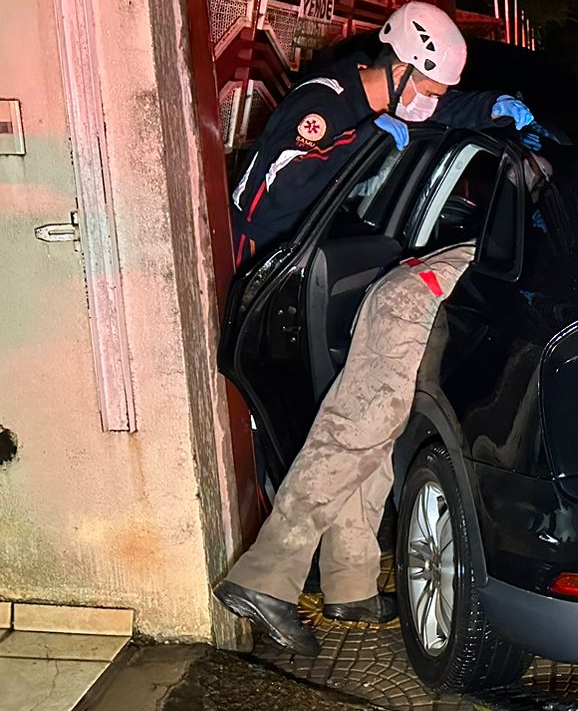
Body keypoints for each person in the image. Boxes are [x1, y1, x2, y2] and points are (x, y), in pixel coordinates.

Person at [216, 156, 554, 655]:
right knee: (349, 440)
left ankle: (350, 587)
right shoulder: (565, 223)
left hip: (411, 295)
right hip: (410, 309)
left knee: (373, 449)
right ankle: (264, 580)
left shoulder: (539, 216)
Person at [229, 1, 548, 266]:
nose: (432, 103)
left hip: (294, 245)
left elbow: (449, 108)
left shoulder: (387, 99)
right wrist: (362, 138)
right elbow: (272, 196)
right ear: (399, 74)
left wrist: (492, 108)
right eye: (431, 93)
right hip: (251, 246)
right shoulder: (325, 104)